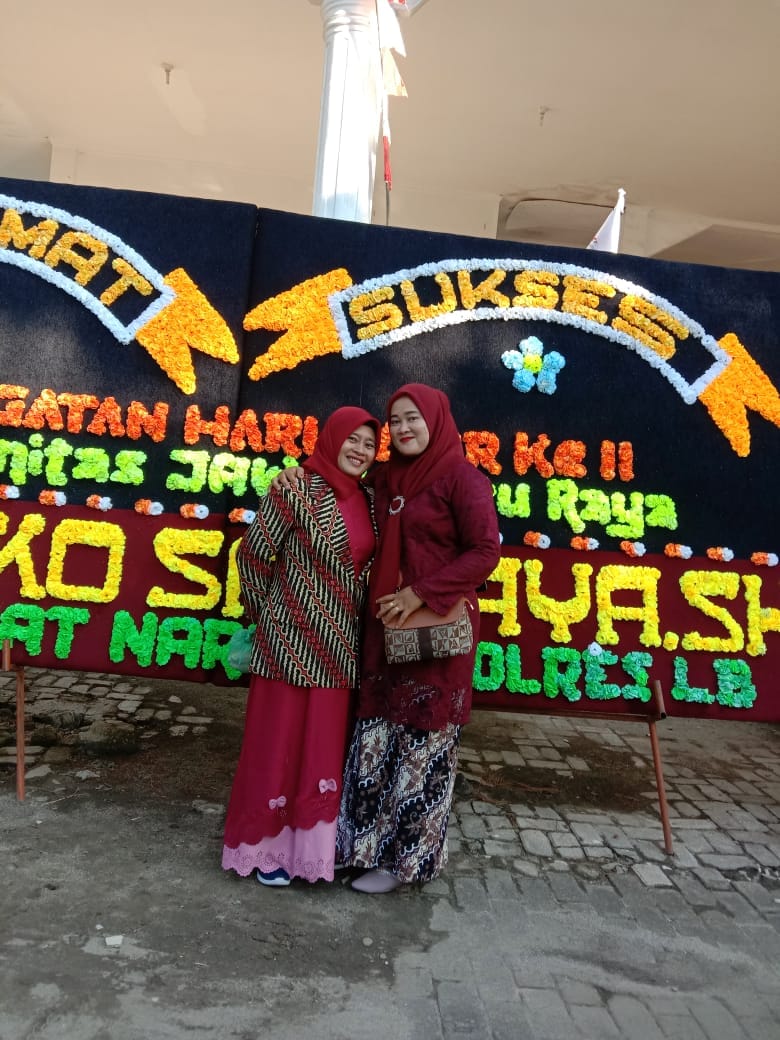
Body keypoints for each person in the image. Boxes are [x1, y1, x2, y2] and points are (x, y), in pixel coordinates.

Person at [274, 384, 501, 893]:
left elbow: (485, 552)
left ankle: (403, 864)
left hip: (433, 637)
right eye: (395, 420)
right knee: (374, 743)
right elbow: (337, 481)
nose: (402, 428)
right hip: (382, 633)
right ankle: (360, 850)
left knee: (421, 750)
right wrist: (296, 474)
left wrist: (420, 593)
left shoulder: (462, 479)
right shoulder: (385, 478)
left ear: (435, 420)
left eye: (412, 418)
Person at [221, 406, 379, 887]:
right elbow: (253, 554)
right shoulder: (294, 488)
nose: (360, 450)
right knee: (276, 746)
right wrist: (269, 616)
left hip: (340, 647)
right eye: (352, 439)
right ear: (331, 439)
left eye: (369, 444)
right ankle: (265, 850)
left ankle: (311, 853)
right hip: (287, 645)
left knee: (321, 751)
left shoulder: (370, 500)